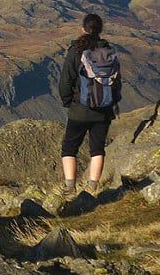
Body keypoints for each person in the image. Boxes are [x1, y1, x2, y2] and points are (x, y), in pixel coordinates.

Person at [58, 13, 120, 196]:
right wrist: (112, 102)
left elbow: (65, 80)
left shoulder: (76, 51)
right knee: (97, 148)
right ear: (100, 30)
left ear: (83, 29)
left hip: (79, 109)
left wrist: (67, 101)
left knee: (69, 147)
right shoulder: (109, 52)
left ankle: (70, 187)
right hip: (104, 109)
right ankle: (93, 186)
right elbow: (117, 81)